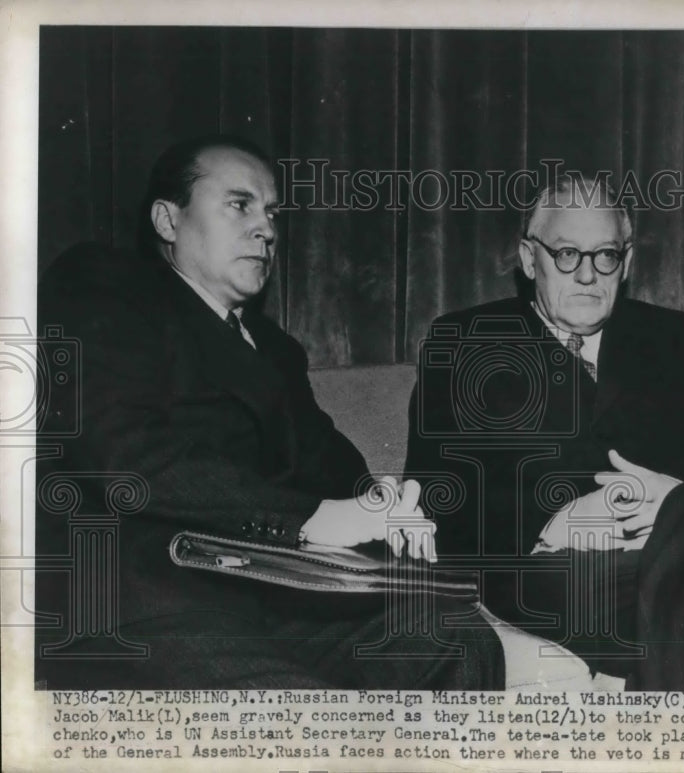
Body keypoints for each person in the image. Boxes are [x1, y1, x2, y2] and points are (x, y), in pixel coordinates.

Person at [34, 135, 505, 689]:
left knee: (456, 640)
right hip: (149, 598)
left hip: (276, 597)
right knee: (295, 711)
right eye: (240, 205)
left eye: (272, 213)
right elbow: (125, 455)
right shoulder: (104, 285)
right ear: (168, 220)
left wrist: (384, 504)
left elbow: (329, 463)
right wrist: (308, 518)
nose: (266, 229)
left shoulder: (276, 348)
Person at [404, 175, 684, 684]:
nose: (586, 274)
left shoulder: (674, 340)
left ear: (626, 262)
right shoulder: (466, 343)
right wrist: (556, 521)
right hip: (551, 570)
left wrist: (676, 504)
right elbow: (435, 493)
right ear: (529, 258)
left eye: (605, 255)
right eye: (565, 254)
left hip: (678, 552)